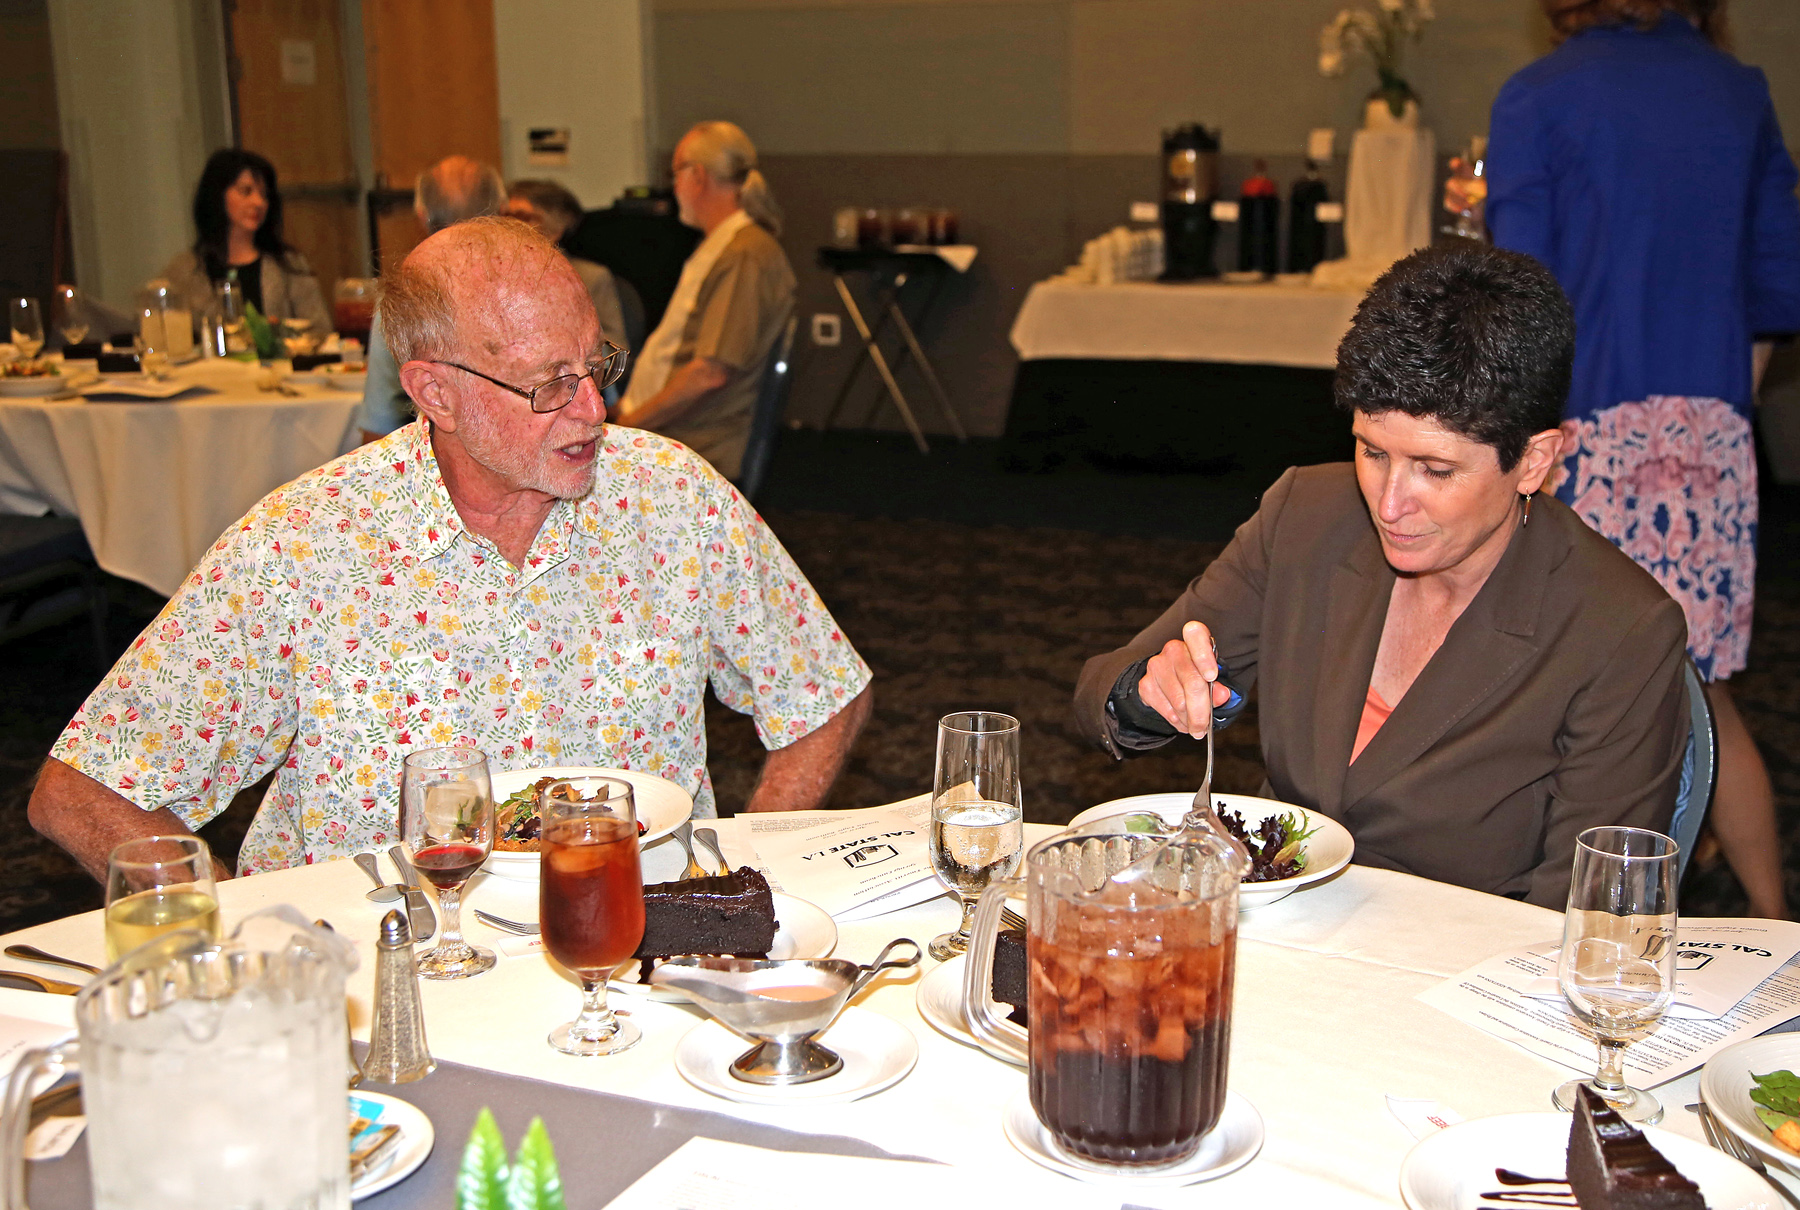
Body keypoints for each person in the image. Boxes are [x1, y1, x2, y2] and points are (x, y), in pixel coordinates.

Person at [29, 216, 873, 881]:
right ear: (436, 392)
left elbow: (824, 693)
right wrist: (234, 940)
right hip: (391, 982)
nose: (593, 412)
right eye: (549, 384)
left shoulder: (673, 500)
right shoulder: (304, 551)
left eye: (597, 365)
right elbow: (85, 789)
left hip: (621, 967)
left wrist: (747, 869)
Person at [1073, 243, 1689, 910]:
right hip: (1275, 933)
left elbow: (1585, 914)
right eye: (1371, 451)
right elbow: (1098, 690)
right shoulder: (1306, 516)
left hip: (1457, 973)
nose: (1390, 503)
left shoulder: (1619, 627)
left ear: (1535, 461)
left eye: (1435, 470)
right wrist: (1146, 692)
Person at [1487, 0, 1800, 917]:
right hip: (1708, 427)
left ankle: (1558, 914)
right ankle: (1779, 930)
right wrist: (1717, 406)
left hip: (1588, 433)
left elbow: (1520, 301)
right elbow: (1778, 283)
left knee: (1563, 687)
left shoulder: (1540, 93)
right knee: (1709, 696)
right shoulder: (1736, 88)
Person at [612, 121, 795, 481]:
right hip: (675, 434)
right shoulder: (725, 246)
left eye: (675, 172)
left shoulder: (744, 255)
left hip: (693, 446)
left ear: (697, 176)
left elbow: (710, 374)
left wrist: (627, 426)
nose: (673, 186)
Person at [356, 155, 509, 442]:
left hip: (437, 469)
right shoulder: (540, 285)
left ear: (421, 216)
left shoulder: (402, 300)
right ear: (503, 211)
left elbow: (379, 422)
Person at [162, 149, 331, 331]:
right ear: (217, 195)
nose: (258, 202)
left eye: (264, 195)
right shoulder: (185, 270)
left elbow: (320, 329)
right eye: (246, 191)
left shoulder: (288, 264)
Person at [504, 179, 630, 352]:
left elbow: (616, 346)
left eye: (524, 217)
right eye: (505, 216)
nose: (511, 225)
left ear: (558, 226)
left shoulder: (591, 277)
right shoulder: (496, 276)